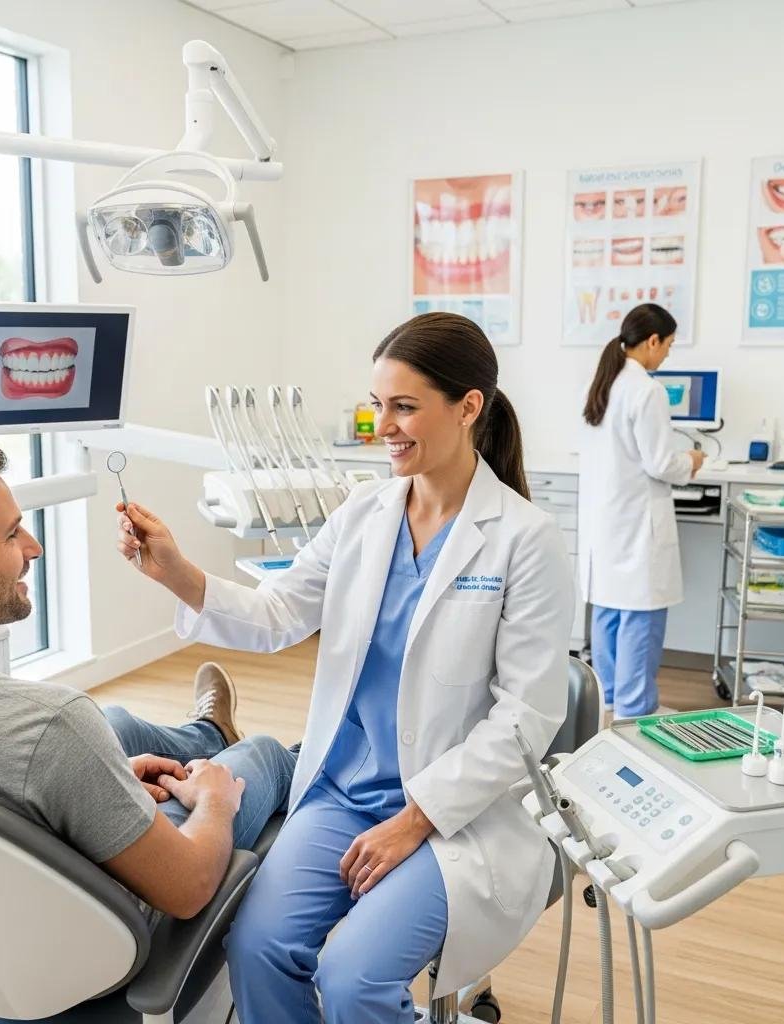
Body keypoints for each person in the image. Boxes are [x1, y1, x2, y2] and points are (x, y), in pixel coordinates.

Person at [115, 312, 575, 1022]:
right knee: (258, 948)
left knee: (354, 977)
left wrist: (416, 818)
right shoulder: (364, 512)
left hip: (453, 811)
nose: (382, 425)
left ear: (469, 407)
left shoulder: (523, 540)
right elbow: (276, 615)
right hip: (342, 790)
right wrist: (176, 572)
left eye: (404, 407)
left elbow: (527, 718)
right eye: (377, 405)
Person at [0, 439, 296, 938]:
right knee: (259, 756)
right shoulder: (51, 724)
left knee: (117, 725)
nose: (34, 547)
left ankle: (209, 731)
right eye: (10, 535)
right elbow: (187, 886)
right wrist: (217, 802)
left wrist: (96, 781)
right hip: (86, 944)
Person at [579, 303, 705, 718]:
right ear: (652, 341)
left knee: (609, 616)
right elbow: (660, 463)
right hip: (636, 526)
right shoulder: (646, 390)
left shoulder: (603, 383)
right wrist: (691, 460)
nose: (667, 354)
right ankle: (635, 714)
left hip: (608, 523)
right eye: (667, 345)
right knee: (639, 619)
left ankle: (610, 703)